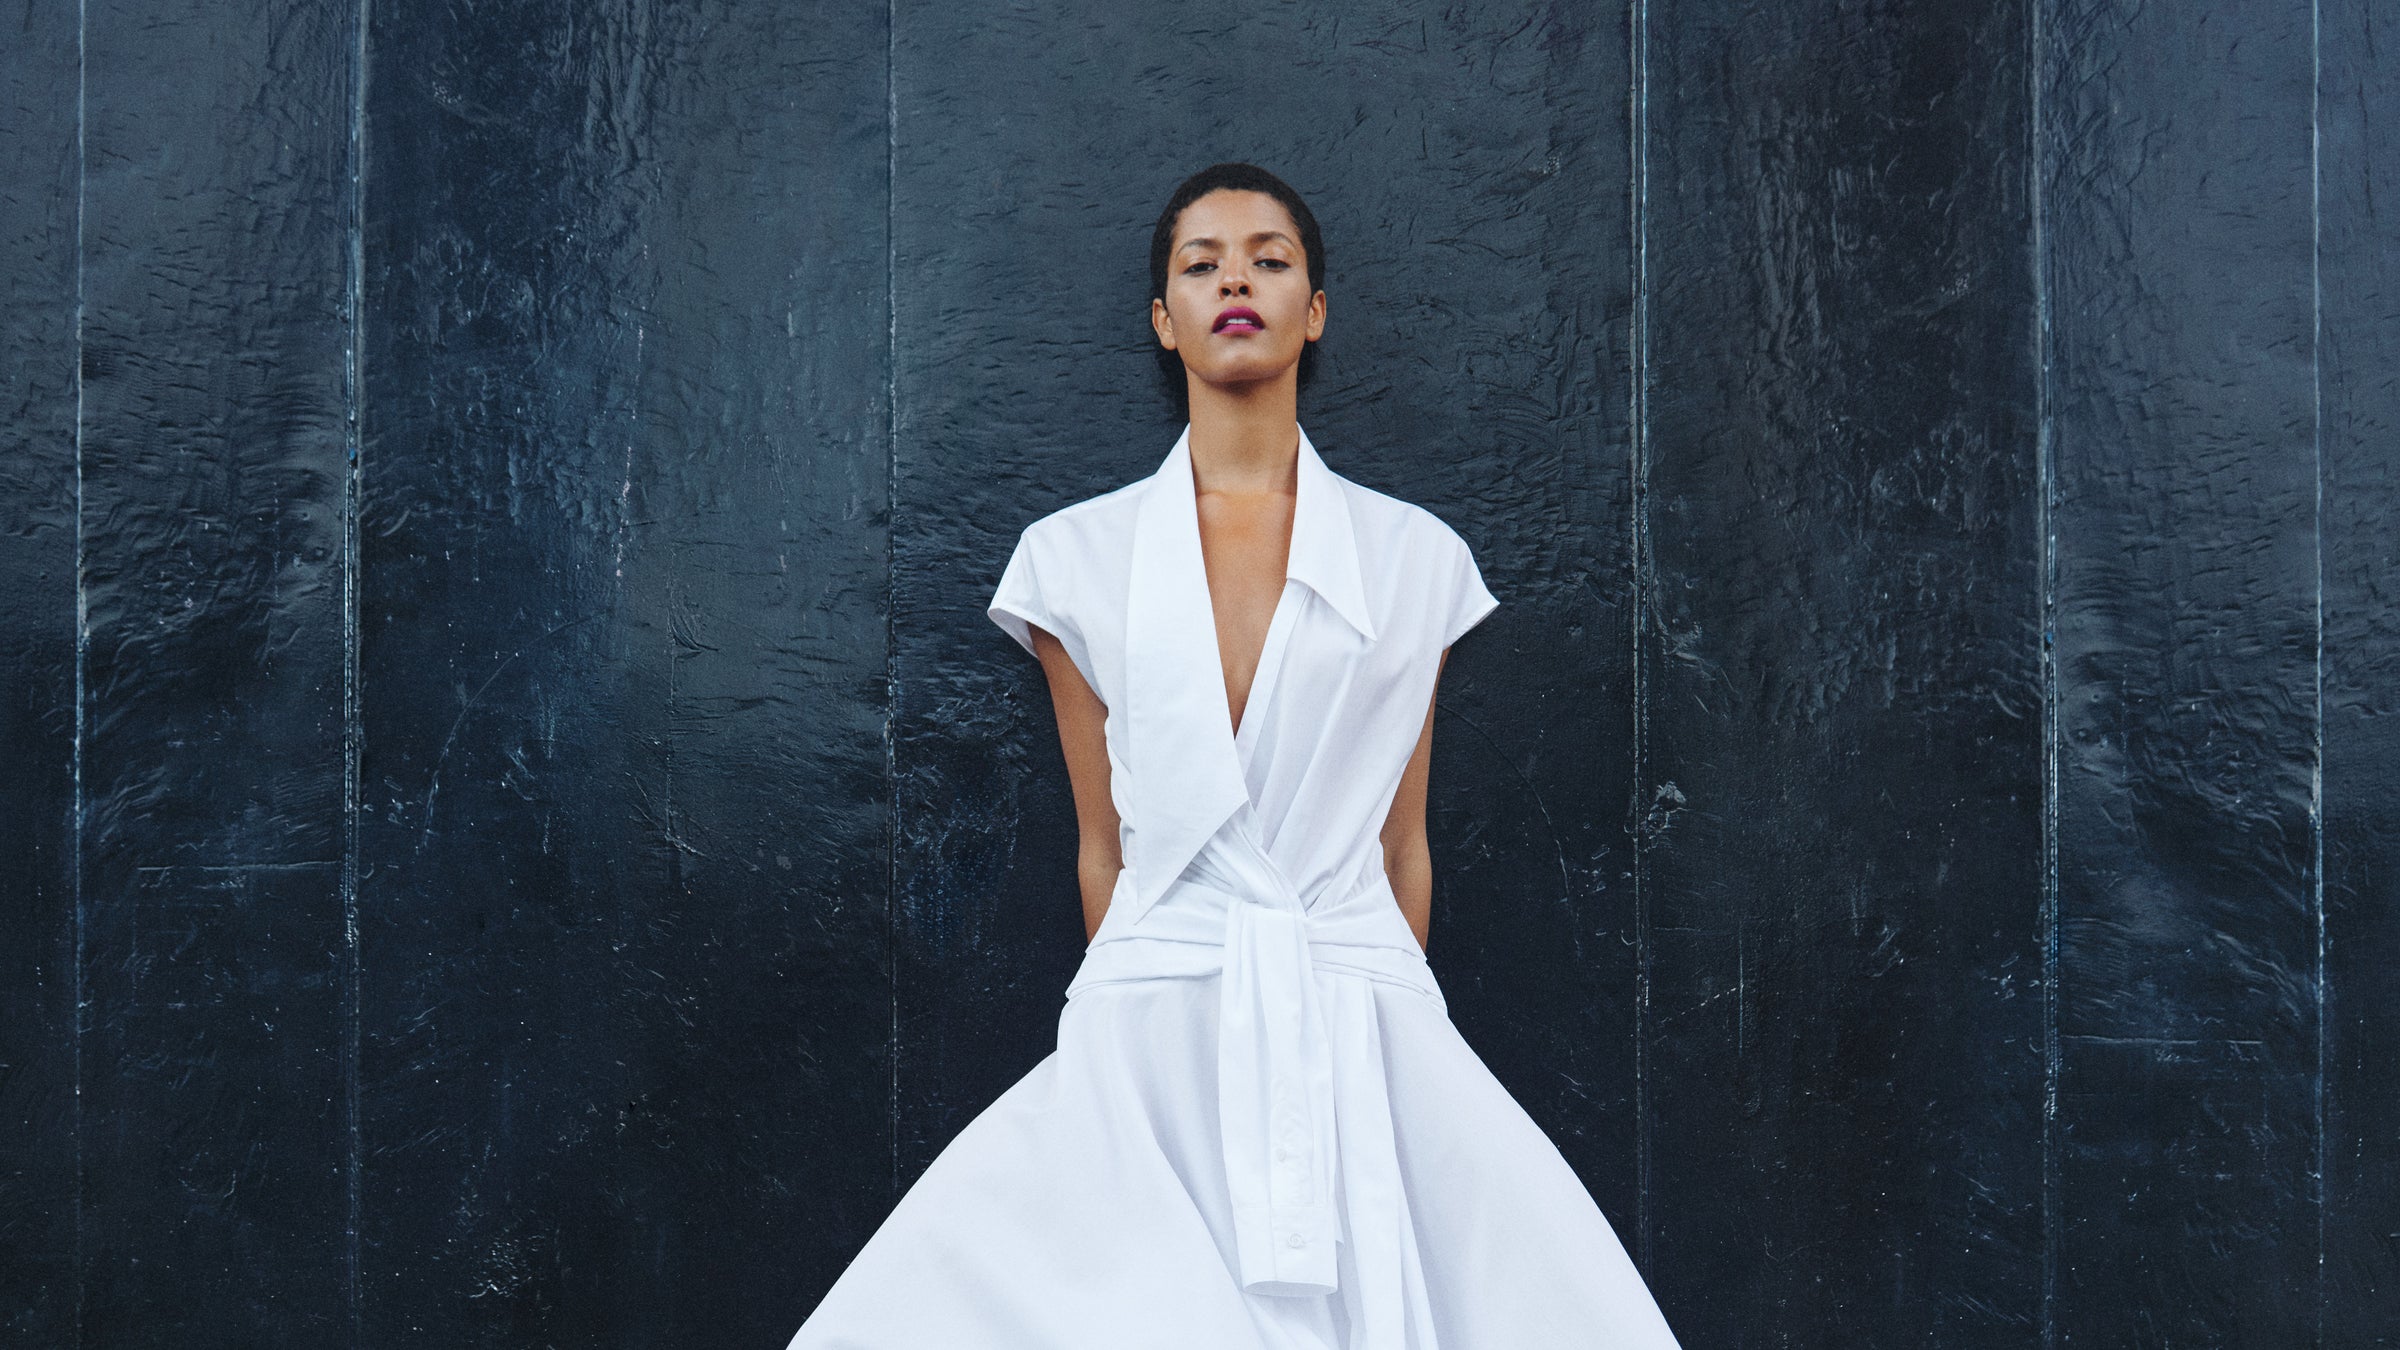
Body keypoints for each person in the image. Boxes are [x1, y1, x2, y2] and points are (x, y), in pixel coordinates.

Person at [786, 162, 1682, 1349]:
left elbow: (1399, 847)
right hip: (1153, 1026)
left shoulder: (1414, 560)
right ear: (1164, 322)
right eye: (1199, 265)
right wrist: (1148, 1033)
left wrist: (1354, 1040)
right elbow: (1102, 848)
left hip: (1361, 1017)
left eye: (1269, 258)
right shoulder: (1077, 561)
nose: (1235, 281)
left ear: (1316, 307)